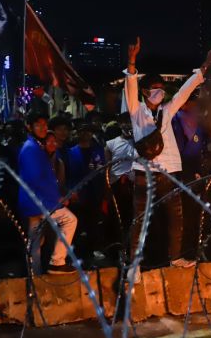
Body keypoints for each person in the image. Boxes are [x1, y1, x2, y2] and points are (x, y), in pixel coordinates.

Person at [123, 36, 211, 275]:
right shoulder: (137, 111)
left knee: (176, 217)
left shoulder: (167, 110)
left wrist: (204, 68)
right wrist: (132, 62)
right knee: (140, 220)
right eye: (156, 89)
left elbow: (185, 92)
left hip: (170, 171)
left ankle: (175, 258)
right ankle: (133, 263)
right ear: (145, 91)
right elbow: (130, 88)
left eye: (162, 89)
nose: (160, 93)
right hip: (145, 172)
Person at [18, 112, 77, 275]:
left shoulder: (37, 147)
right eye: (38, 125)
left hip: (38, 203)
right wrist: (57, 199)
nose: (43, 128)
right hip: (39, 203)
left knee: (36, 241)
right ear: (29, 127)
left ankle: (34, 274)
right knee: (70, 220)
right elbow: (36, 180)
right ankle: (56, 262)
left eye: (45, 125)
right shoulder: (30, 149)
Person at [171, 95, 209, 260]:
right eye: (193, 105)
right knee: (183, 217)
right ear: (184, 104)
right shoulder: (175, 122)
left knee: (196, 215)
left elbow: (200, 150)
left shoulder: (199, 126)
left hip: (196, 176)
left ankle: (195, 249)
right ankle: (182, 252)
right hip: (181, 176)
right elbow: (178, 152)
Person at [68, 120, 106, 267]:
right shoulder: (71, 152)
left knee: (95, 222)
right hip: (79, 193)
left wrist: (105, 192)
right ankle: (79, 254)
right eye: (82, 131)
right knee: (79, 224)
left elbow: (103, 171)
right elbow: (69, 174)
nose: (85, 134)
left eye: (88, 131)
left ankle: (93, 251)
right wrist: (72, 191)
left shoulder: (98, 150)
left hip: (95, 191)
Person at [105, 113, 137, 237]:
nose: (127, 124)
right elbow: (106, 169)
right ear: (119, 124)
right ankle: (117, 248)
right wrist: (107, 188)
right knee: (117, 219)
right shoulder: (111, 144)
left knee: (133, 218)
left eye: (130, 121)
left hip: (134, 186)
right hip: (116, 186)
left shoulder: (139, 142)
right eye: (124, 122)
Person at [44, 131, 67, 195]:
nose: (52, 143)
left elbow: (61, 186)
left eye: (54, 141)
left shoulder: (59, 163)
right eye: (48, 141)